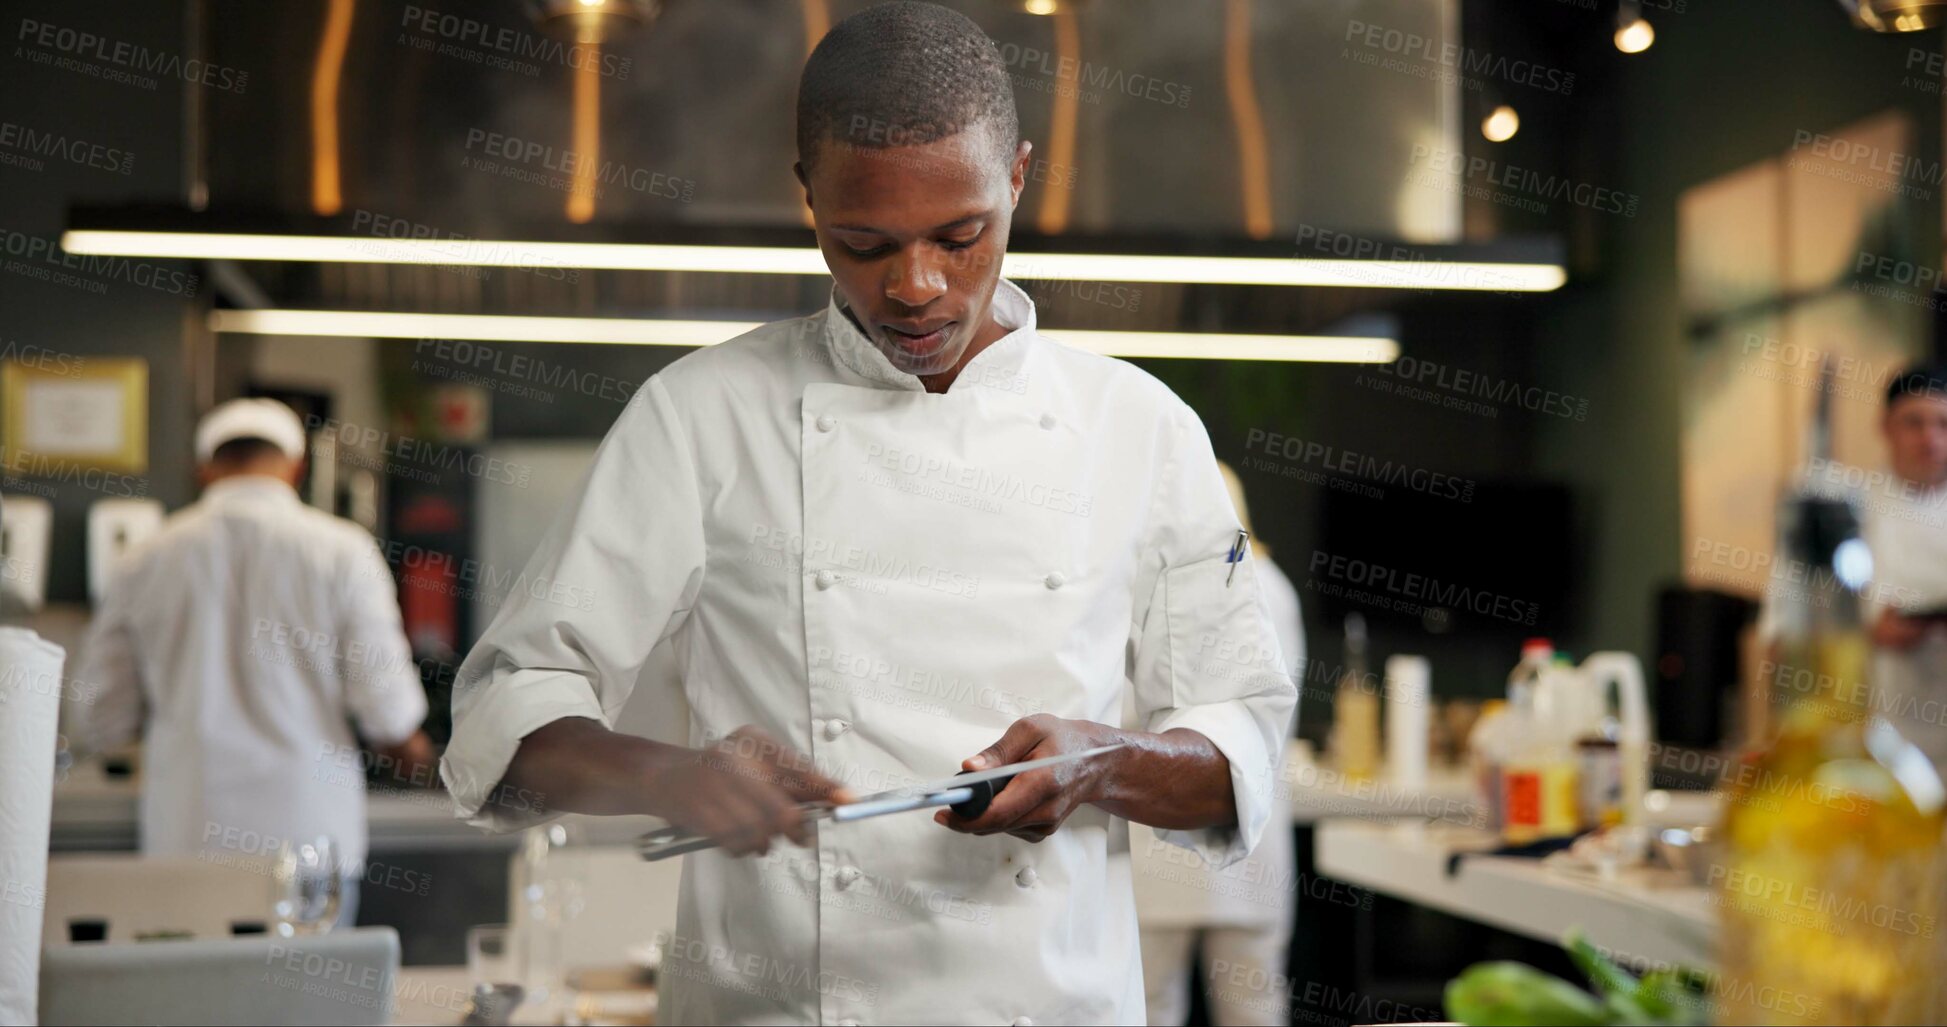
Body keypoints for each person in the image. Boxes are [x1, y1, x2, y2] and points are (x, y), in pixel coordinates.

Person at [439, 3, 1296, 1022]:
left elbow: (1238, 744)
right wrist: (670, 775)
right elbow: (501, 714)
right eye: (865, 243)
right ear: (808, 199)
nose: (916, 287)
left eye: (961, 234)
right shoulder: (701, 416)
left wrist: (1100, 763)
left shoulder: (1141, 427)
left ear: (1017, 176)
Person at [73, 398, 435, 924]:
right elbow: (388, 711)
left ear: (203, 470)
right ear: (296, 466)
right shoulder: (342, 551)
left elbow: (101, 718)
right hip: (309, 836)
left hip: (188, 836)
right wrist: (424, 760)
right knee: (308, 1002)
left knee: (195, 1000)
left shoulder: (144, 559)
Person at [1133, 463, 1304, 1026]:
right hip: (1247, 836)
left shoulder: (1149, 586)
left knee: (1151, 1004)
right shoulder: (1274, 586)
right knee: (1254, 1008)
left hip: (1160, 840)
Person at [1861, 364, 1947, 764]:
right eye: (1914, 423)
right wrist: (1870, 629)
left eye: (1943, 423)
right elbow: (1787, 634)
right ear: (1886, 427)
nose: (1931, 438)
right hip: (1877, 722)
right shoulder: (1850, 510)